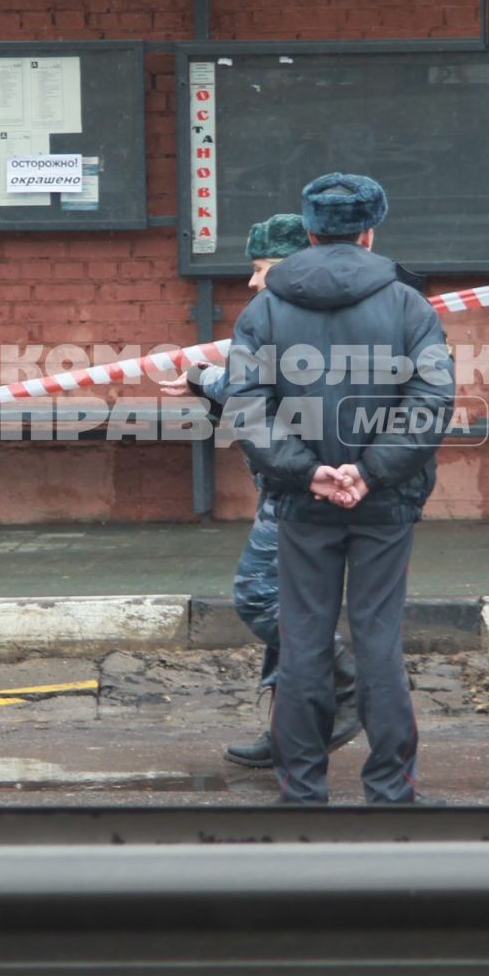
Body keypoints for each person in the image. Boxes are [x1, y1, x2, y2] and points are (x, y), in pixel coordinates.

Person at [221, 174, 453, 804]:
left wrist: (309, 472)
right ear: (370, 231)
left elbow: (245, 407)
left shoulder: (264, 307)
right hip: (385, 501)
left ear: (311, 230)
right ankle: (389, 788)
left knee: (301, 641)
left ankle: (302, 790)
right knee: (377, 638)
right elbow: (431, 402)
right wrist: (369, 471)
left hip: (301, 502)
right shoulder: (409, 305)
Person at [157, 213, 361, 768]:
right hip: (332, 473)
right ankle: (290, 732)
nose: (251, 282)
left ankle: (350, 685)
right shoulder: (338, 307)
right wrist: (205, 379)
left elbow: (257, 386)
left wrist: (204, 377)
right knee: (292, 605)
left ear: (294, 263)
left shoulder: (278, 312)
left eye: (260, 267)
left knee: (260, 596)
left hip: (300, 482)